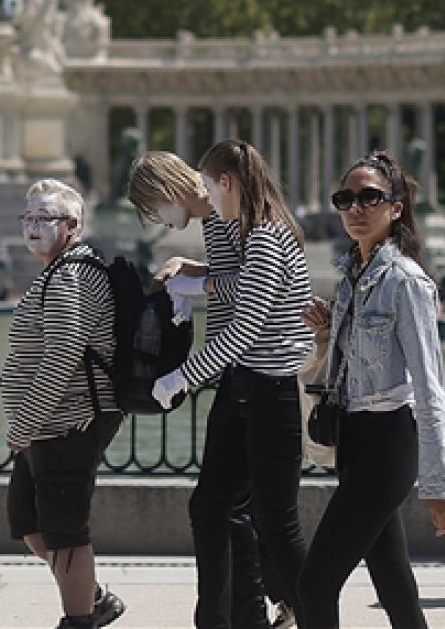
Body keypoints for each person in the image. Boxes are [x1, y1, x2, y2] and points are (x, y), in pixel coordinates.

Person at [148, 140, 313, 629]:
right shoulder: (260, 229)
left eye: (207, 184)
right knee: (223, 508)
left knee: (276, 524)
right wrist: (194, 282)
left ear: (226, 183)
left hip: (270, 389)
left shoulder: (264, 234)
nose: (207, 201)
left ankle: (309, 614)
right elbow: (235, 288)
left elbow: (243, 326)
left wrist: (183, 376)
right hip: (248, 385)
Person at [298, 152, 445, 629]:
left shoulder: (406, 281)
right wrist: (330, 330)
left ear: (396, 207)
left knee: (314, 585)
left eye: (370, 197)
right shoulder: (352, 276)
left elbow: (431, 387)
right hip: (354, 436)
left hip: (389, 440)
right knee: (391, 578)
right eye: (345, 198)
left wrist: (438, 483)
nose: (356, 208)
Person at [2, 180, 127, 629]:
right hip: (47, 425)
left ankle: (78, 619)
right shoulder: (59, 270)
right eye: (28, 218)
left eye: (45, 218)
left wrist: (24, 426)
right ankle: (93, 598)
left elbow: (62, 355)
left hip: (67, 422)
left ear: (72, 225)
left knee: (65, 530)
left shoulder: (71, 276)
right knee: (31, 523)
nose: (33, 227)